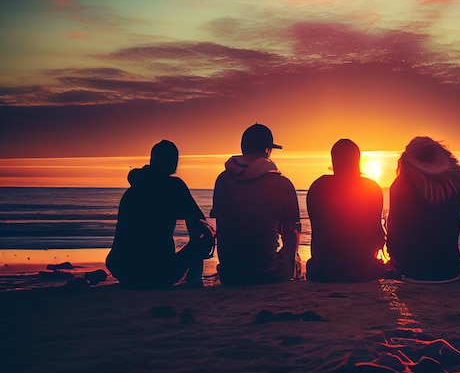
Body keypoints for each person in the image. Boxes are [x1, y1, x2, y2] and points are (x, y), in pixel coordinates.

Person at [106, 140, 214, 288]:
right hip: (157, 272)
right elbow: (199, 219)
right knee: (203, 235)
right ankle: (194, 280)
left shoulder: (134, 189)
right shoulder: (173, 186)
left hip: (122, 269)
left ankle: (191, 277)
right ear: (173, 161)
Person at [210, 123, 301, 286]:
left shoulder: (222, 180)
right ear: (267, 150)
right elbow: (292, 231)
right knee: (291, 238)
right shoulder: (281, 184)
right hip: (268, 276)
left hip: (230, 276)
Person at [386, 137, 460, 282]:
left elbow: (394, 229)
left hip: (413, 269)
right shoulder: (457, 182)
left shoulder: (402, 185)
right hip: (450, 269)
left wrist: (393, 257)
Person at [306, 139, 387, 283]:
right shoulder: (371, 188)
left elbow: (317, 231)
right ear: (358, 160)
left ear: (333, 160)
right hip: (364, 271)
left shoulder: (317, 187)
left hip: (324, 272)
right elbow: (378, 237)